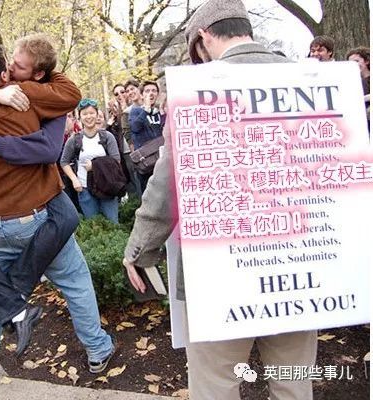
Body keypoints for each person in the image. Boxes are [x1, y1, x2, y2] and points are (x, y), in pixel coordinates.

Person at [123, 1, 317, 399]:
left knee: (216, 383)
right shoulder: (312, 80)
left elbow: (169, 180)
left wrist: (140, 249)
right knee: (294, 381)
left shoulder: (199, 89)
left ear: (204, 36)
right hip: (300, 263)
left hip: (219, 266)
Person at [0, 40, 114, 398]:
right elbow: (66, 101)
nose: (13, 69)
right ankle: (98, 350)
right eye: (10, 64)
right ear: (3, 74)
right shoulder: (29, 102)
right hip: (38, 218)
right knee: (75, 280)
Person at [61, 99, 121, 223]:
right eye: (85, 114)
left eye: (92, 113)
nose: (89, 117)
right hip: (85, 188)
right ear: (80, 117)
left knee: (112, 223)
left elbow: (116, 161)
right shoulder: (75, 140)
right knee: (93, 225)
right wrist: (74, 179)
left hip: (107, 186)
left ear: (97, 114)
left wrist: (95, 166)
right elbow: (64, 161)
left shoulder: (107, 137)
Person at [128, 80, 165, 191]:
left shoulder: (160, 112)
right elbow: (135, 128)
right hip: (147, 163)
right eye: (147, 91)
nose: (151, 93)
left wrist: (162, 111)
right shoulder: (135, 111)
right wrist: (146, 109)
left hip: (162, 161)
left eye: (154, 91)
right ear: (142, 95)